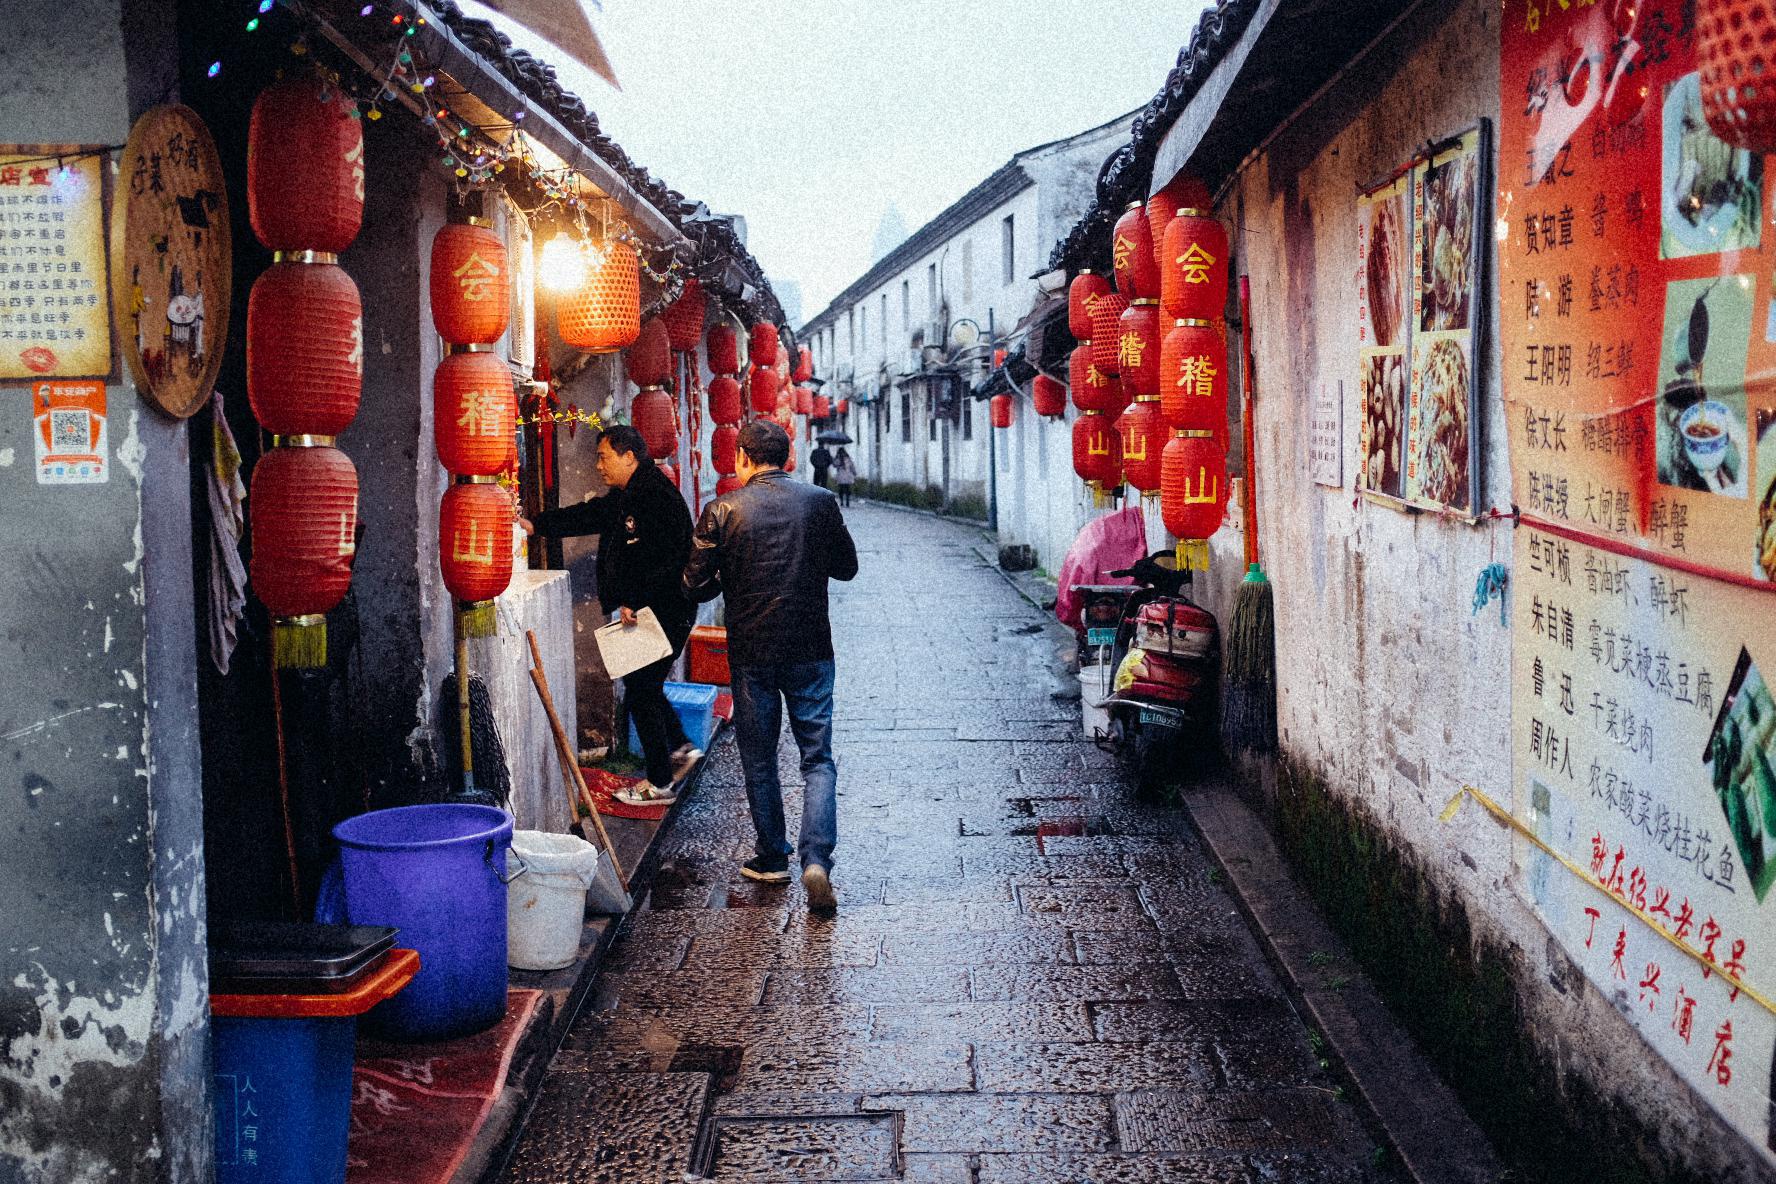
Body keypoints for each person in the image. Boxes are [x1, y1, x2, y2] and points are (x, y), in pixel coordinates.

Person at [683, 421, 858, 910]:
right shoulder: (820, 502)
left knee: (760, 758)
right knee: (817, 758)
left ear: (741, 457)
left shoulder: (722, 510)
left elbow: (693, 587)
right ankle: (816, 860)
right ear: (786, 457)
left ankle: (772, 858)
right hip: (811, 648)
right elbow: (847, 568)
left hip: (753, 651)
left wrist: (731, 570)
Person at [522, 424, 699, 805]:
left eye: (604, 457)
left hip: (665, 610)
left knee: (641, 692)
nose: (598, 465)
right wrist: (537, 525)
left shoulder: (654, 495)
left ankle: (660, 783)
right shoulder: (628, 495)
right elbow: (589, 515)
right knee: (642, 688)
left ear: (628, 456)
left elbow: (669, 559)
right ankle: (681, 750)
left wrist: (635, 600)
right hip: (651, 610)